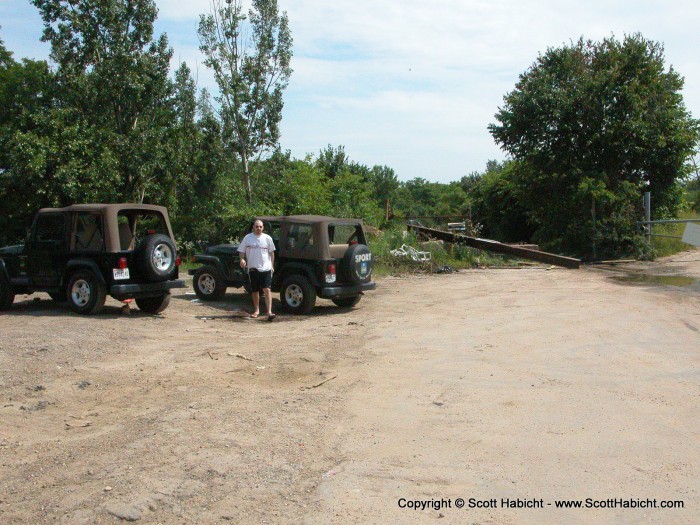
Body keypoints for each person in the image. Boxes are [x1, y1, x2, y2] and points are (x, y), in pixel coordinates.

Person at [238, 219, 276, 320]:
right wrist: (242, 259)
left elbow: (272, 253)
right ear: (253, 227)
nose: (258, 228)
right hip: (253, 268)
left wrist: (272, 266)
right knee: (255, 290)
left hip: (266, 268)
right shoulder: (247, 238)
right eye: (256, 226)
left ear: (263, 228)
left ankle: (269, 312)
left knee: (267, 289)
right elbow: (241, 251)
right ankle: (256, 310)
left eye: (260, 227)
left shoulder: (267, 238)